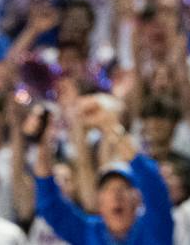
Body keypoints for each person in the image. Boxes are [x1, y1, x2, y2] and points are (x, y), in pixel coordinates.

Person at [31, 99, 172, 245]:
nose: (116, 196)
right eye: (108, 189)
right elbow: (50, 204)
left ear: (137, 199)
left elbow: (153, 184)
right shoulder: (90, 232)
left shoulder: (155, 227)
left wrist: (110, 126)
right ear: (99, 202)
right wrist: (42, 142)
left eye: (123, 189)